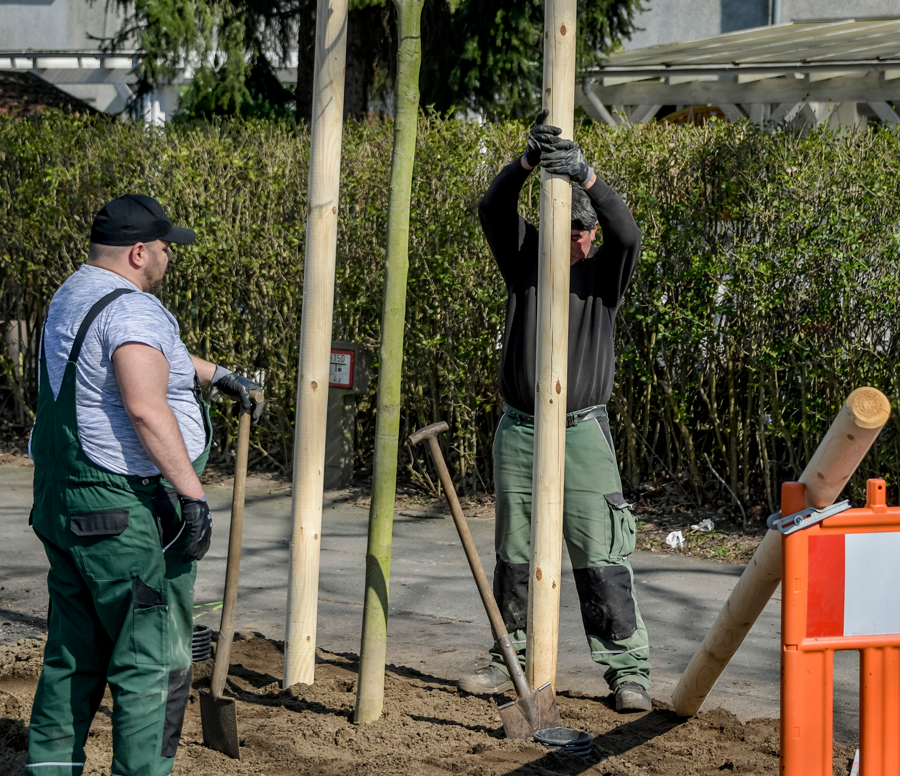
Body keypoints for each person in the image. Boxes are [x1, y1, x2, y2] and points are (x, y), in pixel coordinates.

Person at [25, 194, 265, 776]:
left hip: (62, 503)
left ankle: (50, 767)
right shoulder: (134, 311)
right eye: (163, 248)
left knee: (73, 654)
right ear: (138, 253)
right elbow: (145, 406)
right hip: (116, 513)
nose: (167, 257)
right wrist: (194, 496)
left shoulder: (73, 293)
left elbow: (142, 357)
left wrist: (217, 375)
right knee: (149, 660)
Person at [458, 112, 651, 713]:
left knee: (601, 556)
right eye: (559, 225)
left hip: (581, 430)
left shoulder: (602, 277)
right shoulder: (526, 262)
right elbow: (492, 210)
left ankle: (627, 671)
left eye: (576, 230)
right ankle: (508, 661)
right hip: (519, 428)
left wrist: (586, 176)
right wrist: (524, 164)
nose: (567, 238)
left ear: (588, 236)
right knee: (515, 553)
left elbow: (630, 234)